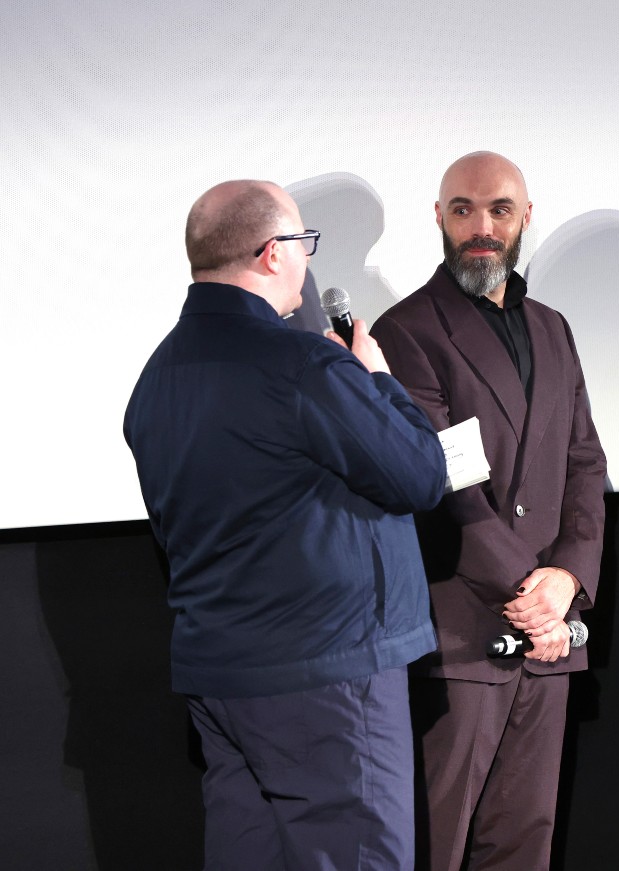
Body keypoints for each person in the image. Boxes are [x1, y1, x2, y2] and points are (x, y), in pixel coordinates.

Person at [123, 180, 449, 869]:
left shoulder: (156, 378)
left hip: (222, 679)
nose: (307, 260)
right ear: (273, 253)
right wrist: (378, 379)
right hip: (329, 677)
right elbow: (419, 473)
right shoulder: (305, 365)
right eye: (303, 243)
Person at [370, 152, 607, 871]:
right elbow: (441, 483)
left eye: (499, 209)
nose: (482, 227)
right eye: (464, 209)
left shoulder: (554, 328)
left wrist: (566, 580)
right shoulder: (405, 330)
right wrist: (531, 594)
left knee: (524, 845)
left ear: (525, 218)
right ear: (439, 218)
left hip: (549, 641)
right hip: (462, 637)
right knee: (435, 845)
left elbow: (585, 466)